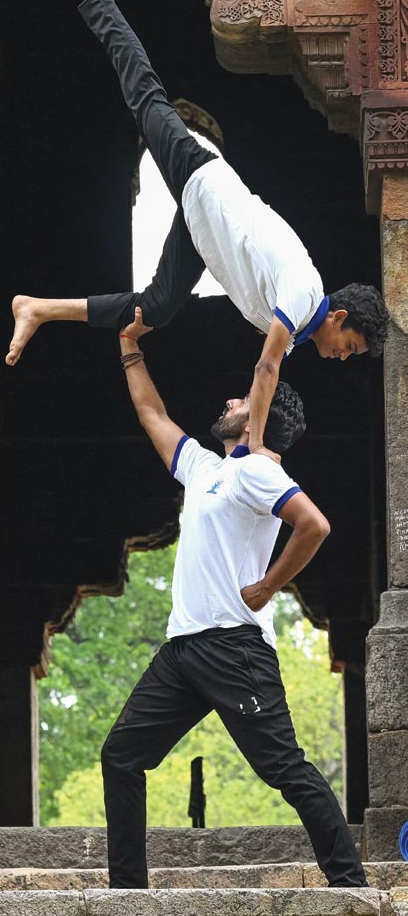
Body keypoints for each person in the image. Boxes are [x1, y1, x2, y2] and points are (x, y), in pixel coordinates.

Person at [5, 0, 389, 461]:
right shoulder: (301, 295)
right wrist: (254, 443)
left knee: (157, 307)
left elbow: (270, 371)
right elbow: (265, 370)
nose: (343, 359)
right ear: (339, 317)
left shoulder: (298, 325)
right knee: (144, 93)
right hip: (201, 177)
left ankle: (37, 308)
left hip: (199, 225)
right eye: (351, 348)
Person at [98, 307, 368, 889]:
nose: (230, 401)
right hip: (182, 652)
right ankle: (128, 892)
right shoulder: (203, 468)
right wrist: (129, 347)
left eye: (242, 401)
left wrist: (267, 587)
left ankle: (349, 886)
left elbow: (314, 526)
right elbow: (151, 413)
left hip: (234, 649)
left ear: (261, 419)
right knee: (121, 754)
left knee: (284, 769)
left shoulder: (259, 471)